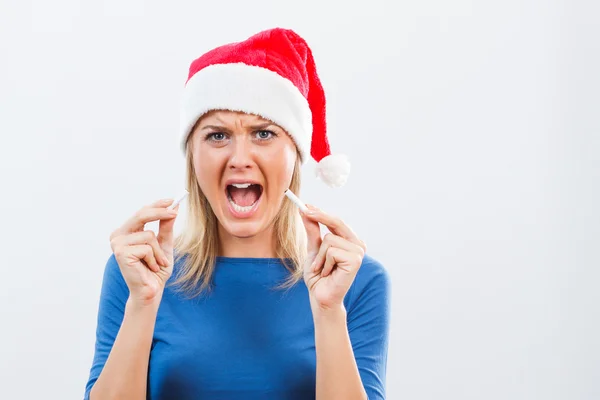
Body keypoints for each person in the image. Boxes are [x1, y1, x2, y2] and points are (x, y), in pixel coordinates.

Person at [84, 27, 391, 400]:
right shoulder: (136, 274)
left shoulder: (356, 281)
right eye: (217, 136)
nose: (240, 159)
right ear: (192, 157)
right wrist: (143, 304)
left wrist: (328, 312)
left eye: (263, 134)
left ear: (295, 155)